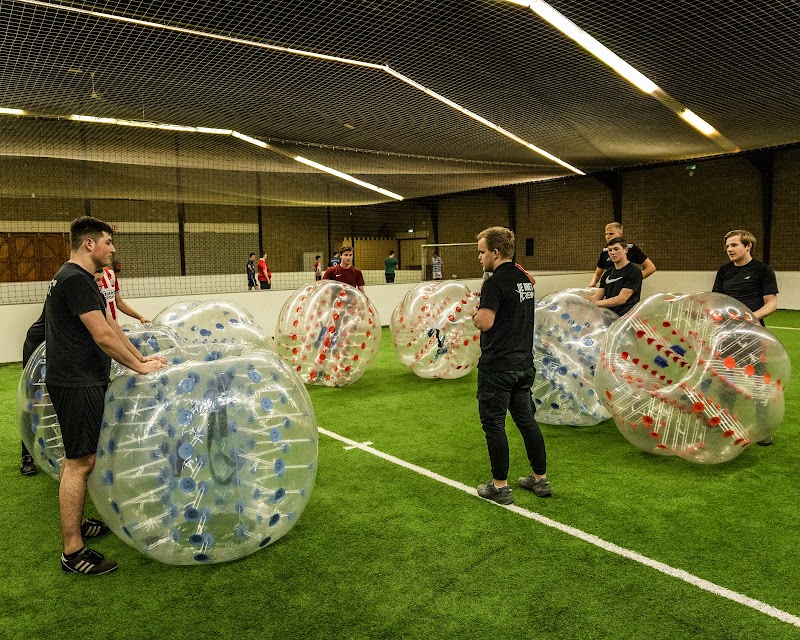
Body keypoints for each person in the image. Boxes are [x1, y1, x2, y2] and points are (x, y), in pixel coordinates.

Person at [46, 216, 166, 575]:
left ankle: (81, 524)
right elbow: (101, 335)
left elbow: (112, 325)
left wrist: (141, 358)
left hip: (83, 378)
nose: (112, 249)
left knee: (82, 458)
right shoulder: (74, 279)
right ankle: (73, 552)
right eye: (108, 242)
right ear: (89, 243)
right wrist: (139, 367)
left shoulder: (80, 278)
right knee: (80, 462)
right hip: (76, 382)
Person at [471, 226, 550, 505]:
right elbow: (529, 282)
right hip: (524, 365)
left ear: (495, 252)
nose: (479, 257)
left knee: (494, 424)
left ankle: (500, 487)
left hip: (498, 366)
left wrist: (475, 313)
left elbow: (485, 322)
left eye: (482, 252)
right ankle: (540, 479)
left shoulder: (494, 283)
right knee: (526, 420)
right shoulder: (522, 277)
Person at [712, 229, 779, 446]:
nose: (729, 249)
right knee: (725, 381)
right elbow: (717, 300)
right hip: (727, 334)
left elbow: (771, 303)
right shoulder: (724, 271)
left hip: (752, 335)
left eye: (734, 245)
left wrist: (749, 318)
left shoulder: (762, 270)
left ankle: (763, 429)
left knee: (758, 381)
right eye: (727, 246)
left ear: (748, 246)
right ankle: (725, 423)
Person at [19, 306, 46, 475]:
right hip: (39, 345)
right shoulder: (73, 290)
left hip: (64, 346)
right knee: (33, 401)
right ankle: (27, 455)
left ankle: (52, 448)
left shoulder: (99, 294)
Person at [588, 222, 656, 287]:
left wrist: (634, 279)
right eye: (606, 234)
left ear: (620, 234)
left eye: (611, 234)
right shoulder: (605, 252)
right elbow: (598, 273)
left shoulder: (632, 249)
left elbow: (651, 267)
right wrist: (592, 282)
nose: (607, 237)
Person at [590, 237, 643, 316]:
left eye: (616, 249)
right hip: (610, 317)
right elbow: (596, 297)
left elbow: (622, 299)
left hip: (626, 318)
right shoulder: (607, 273)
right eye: (610, 250)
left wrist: (598, 303)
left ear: (626, 250)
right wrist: (579, 300)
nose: (613, 253)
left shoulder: (634, 271)